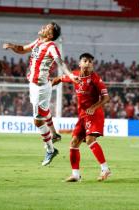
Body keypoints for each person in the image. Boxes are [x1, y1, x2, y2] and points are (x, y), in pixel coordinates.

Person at [3, 22, 79, 166]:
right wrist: (13, 46)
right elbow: (23, 49)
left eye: (46, 28)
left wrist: (70, 75)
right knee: (44, 111)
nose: (43, 27)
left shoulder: (51, 47)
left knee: (37, 121)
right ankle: (54, 134)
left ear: (50, 35)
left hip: (40, 88)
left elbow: (60, 62)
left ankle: (51, 149)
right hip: (34, 85)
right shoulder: (38, 42)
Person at [52, 53, 111, 182]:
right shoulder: (75, 75)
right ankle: (75, 175)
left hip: (94, 113)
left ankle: (105, 169)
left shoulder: (95, 79)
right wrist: (51, 83)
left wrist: (94, 107)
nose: (88, 63)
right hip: (82, 115)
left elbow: (106, 98)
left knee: (90, 140)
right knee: (73, 143)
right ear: (80, 64)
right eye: (85, 61)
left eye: (90, 61)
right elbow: (61, 78)